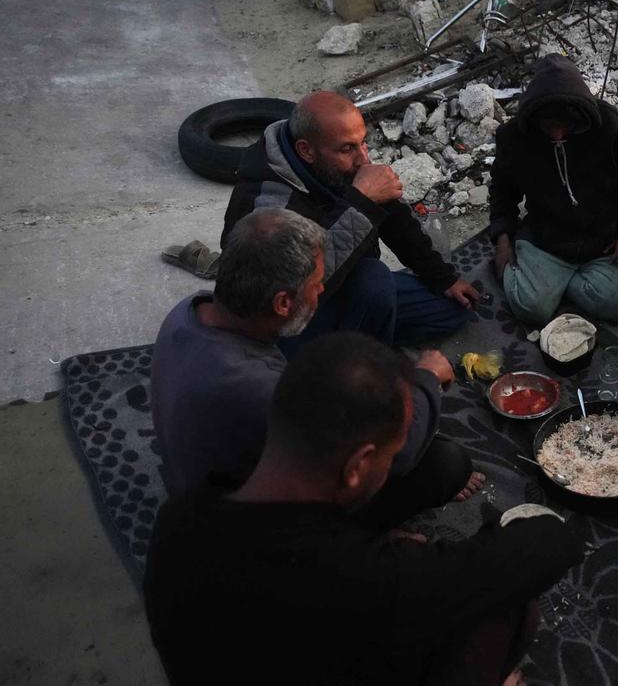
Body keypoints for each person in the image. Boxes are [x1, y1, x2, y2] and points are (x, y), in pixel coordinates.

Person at [144, 333, 584, 686]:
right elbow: (545, 549)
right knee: (504, 609)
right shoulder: (366, 581)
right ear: (357, 466)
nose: (396, 466)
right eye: (391, 456)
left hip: (262, 652)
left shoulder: (178, 520)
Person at [151, 208, 482, 521]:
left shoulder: (191, 310)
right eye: (316, 285)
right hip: (245, 527)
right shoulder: (261, 389)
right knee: (443, 464)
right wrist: (426, 379)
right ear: (283, 302)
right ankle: (360, 541)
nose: (322, 290)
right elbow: (399, 453)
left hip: (215, 469)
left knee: (371, 288)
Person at [222, 90, 480, 353]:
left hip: (348, 286)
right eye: (348, 148)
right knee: (374, 279)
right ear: (306, 151)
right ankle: (347, 368)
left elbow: (395, 221)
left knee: (452, 309)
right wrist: (362, 203)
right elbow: (295, 287)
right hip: (293, 316)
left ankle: (357, 338)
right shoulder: (268, 205)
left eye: (363, 143)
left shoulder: (334, 164)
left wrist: (443, 277)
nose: (363, 158)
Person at [489, 54, 618, 326]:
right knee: (530, 309)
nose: (556, 135)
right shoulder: (515, 136)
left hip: (602, 238)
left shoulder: (608, 123)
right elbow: (502, 188)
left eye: (564, 126)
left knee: (611, 305)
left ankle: (552, 286)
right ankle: (544, 281)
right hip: (547, 240)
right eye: (549, 126)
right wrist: (502, 239)